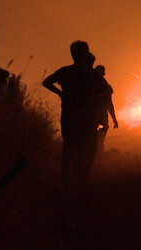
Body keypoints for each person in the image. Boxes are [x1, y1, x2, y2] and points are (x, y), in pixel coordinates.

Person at [43, 41, 102, 188]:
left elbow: (46, 82)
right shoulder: (91, 73)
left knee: (68, 145)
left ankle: (66, 180)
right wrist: (91, 96)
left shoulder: (65, 71)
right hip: (87, 115)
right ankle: (83, 178)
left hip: (69, 113)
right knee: (86, 145)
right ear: (86, 54)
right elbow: (103, 87)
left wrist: (61, 94)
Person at [94, 65, 118, 156]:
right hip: (100, 118)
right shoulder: (107, 87)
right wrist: (114, 119)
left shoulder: (87, 85)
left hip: (95, 118)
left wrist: (114, 119)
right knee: (99, 141)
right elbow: (109, 105)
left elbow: (109, 104)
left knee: (97, 141)